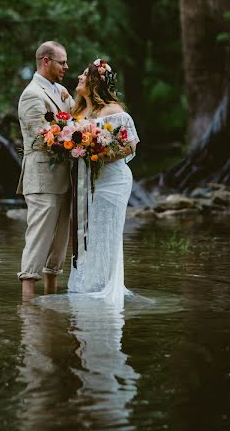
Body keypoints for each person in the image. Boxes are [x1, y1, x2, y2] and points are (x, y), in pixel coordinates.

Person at [67, 59, 139, 309]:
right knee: (86, 230)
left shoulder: (113, 111)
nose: (78, 77)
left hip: (113, 182)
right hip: (86, 183)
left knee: (105, 231)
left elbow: (130, 146)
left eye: (84, 75)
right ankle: (84, 284)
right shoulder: (77, 114)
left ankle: (103, 285)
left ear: (95, 82)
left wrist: (96, 154)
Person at [17, 41, 74, 299]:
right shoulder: (32, 94)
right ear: (46, 61)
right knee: (39, 235)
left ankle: (51, 301)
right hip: (41, 176)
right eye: (62, 62)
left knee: (59, 239)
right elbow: (41, 137)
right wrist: (77, 137)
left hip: (65, 176)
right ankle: (27, 303)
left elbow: (77, 117)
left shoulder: (61, 91)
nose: (66, 66)